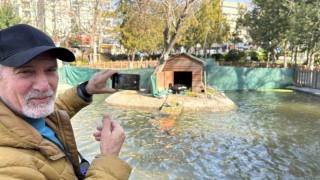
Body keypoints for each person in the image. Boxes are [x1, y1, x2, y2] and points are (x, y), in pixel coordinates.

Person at [0, 24, 131, 179]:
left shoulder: (22, 112)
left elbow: (53, 112)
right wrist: (109, 157)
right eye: (26, 72)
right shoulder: (7, 166)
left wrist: (87, 89)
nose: (44, 86)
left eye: (50, 70)